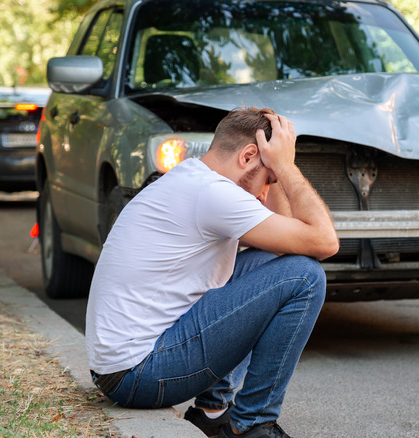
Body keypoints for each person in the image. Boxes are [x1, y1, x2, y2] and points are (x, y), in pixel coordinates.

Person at [85, 107, 339, 438]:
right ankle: (253, 425)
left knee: (268, 263)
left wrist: (274, 169)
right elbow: (324, 242)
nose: (264, 194)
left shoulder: (194, 180)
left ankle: (212, 412)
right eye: (267, 180)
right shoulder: (214, 195)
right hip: (137, 374)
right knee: (305, 277)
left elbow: (286, 245)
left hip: (125, 366)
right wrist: (285, 166)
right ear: (249, 156)